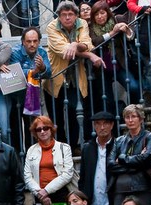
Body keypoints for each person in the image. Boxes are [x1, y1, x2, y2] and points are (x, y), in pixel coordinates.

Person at [44, 1, 104, 150]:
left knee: (74, 110)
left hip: (76, 77)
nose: (67, 17)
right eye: (64, 15)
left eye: (70, 14)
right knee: (56, 116)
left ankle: (72, 145)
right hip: (56, 77)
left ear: (76, 15)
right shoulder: (52, 26)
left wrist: (75, 44)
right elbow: (63, 51)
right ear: (59, 16)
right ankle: (60, 147)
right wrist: (89, 55)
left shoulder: (81, 23)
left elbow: (87, 44)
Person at [108, 104, 151, 205]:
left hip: (143, 187)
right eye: (127, 117)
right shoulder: (119, 140)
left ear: (141, 119)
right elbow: (110, 164)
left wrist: (122, 158)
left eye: (133, 116)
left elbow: (146, 160)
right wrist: (135, 165)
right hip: (120, 189)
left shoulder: (150, 137)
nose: (130, 120)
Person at [23, 116, 76, 205]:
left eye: (45, 128)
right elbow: (27, 176)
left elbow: (67, 174)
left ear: (51, 129)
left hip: (60, 194)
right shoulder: (31, 150)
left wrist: (46, 190)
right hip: (39, 196)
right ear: (35, 132)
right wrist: (40, 194)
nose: (42, 131)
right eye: (38, 129)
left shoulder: (64, 148)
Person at [79, 111, 117, 205]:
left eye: (105, 123)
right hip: (93, 202)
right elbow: (83, 176)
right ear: (94, 126)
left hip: (113, 201)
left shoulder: (118, 145)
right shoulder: (87, 148)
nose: (102, 127)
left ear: (112, 125)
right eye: (98, 124)